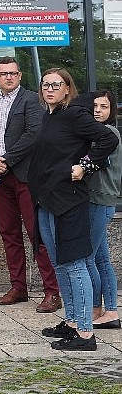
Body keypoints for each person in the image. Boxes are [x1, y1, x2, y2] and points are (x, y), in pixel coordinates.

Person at [28, 69, 117, 351]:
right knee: (60, 265)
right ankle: (72, 321)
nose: (50, 89)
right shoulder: (49, 117)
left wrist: (85, 166)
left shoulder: (74, 116)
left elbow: (108, 140)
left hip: (69, 200)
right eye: (45, 85)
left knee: (74, 264)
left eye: (56, 85)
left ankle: (86, 334)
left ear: (68, 89)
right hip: (46, 200)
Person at [0, 56, 60, 312]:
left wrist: (6, 160)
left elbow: (33, 135)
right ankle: (18, 286)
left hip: (25, 175)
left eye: (13, 73)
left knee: (38, 234)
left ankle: (52, 291)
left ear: (20, 76)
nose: (8, 77)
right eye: (3, 73)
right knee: (9, 233)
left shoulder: (33, 99)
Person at [87, 90, 122, 329]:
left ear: (112, 111)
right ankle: (108, 310)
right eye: (95, 106)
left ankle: (101, 309)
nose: (98, 110)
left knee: (90, 258)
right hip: (101, 199)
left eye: (104, 106)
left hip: (100, 199)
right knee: (101, 258)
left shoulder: (107, 133)